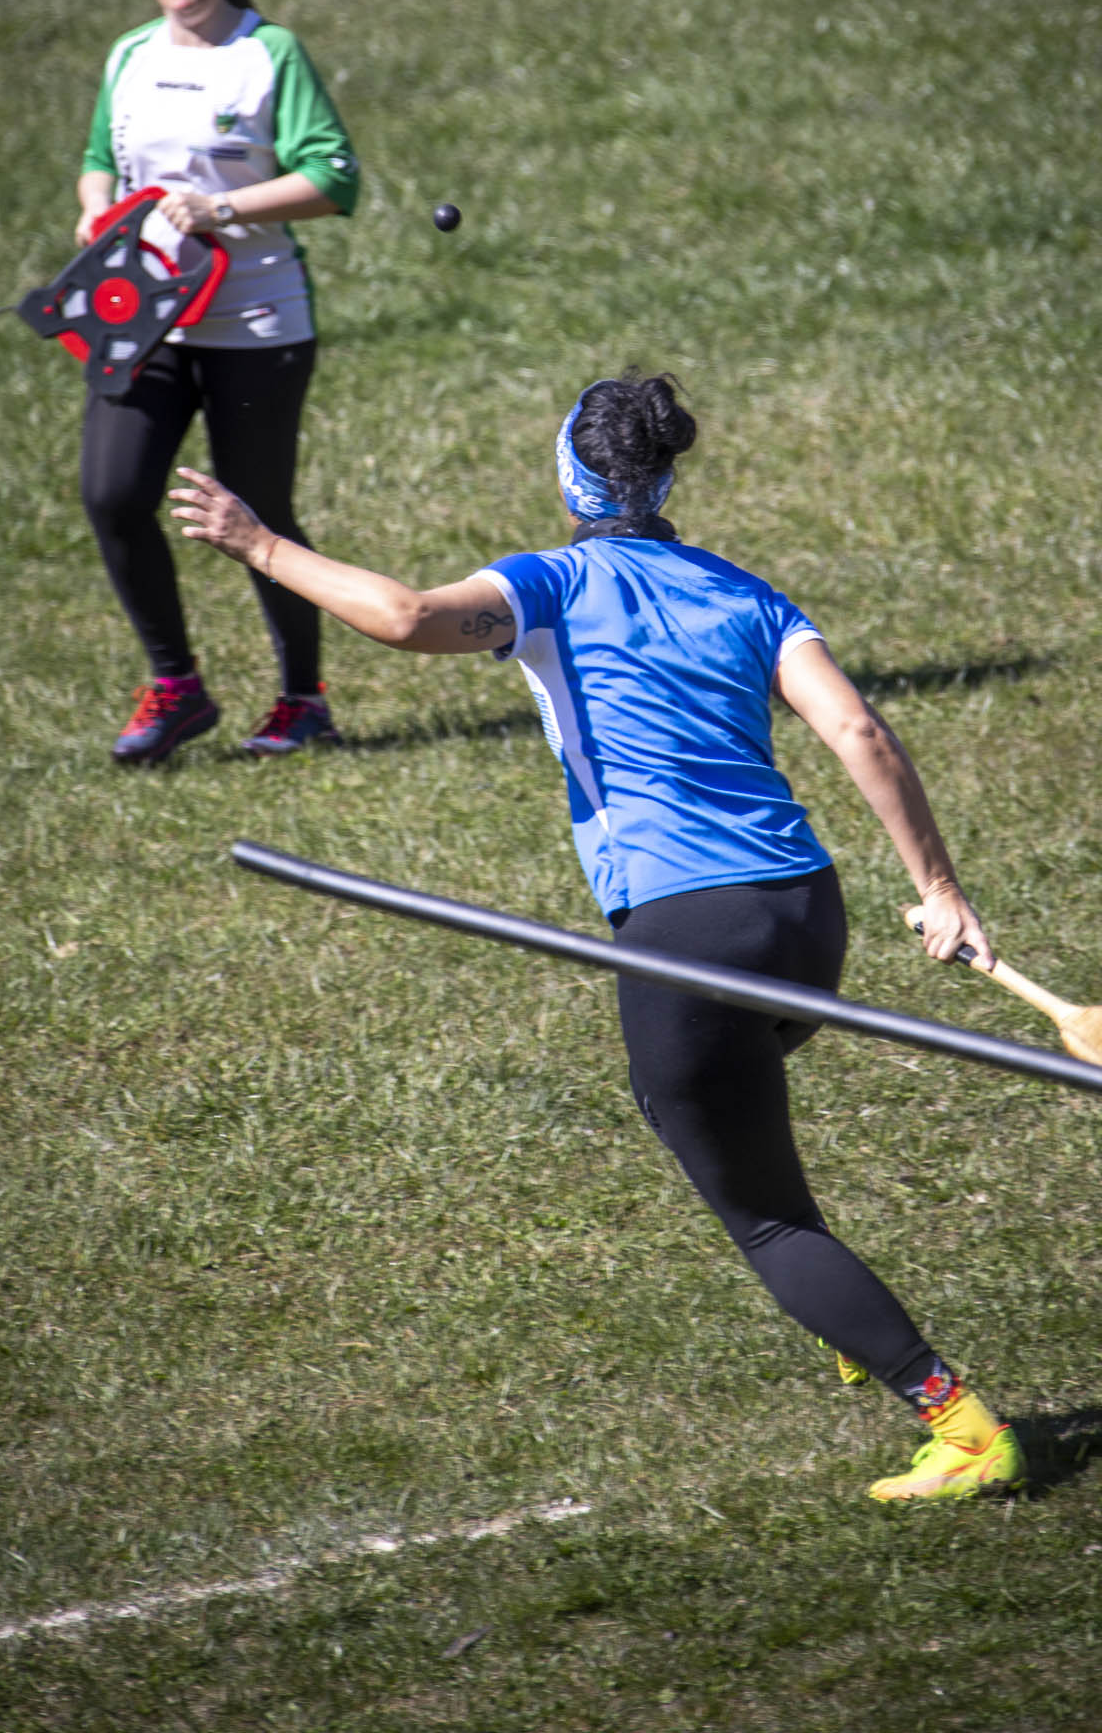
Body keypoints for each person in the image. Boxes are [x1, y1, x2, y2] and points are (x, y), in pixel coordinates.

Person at [169, 371, 1027, 1502]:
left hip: (684, 930)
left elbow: (402, 616)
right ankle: (841, 1306)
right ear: (664, 477)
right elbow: (856, 728)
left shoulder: (551, 583)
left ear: (570, 475)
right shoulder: (747, 592)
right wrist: (938, 887)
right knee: (703, 1100)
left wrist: (258, 542)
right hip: (805, 914)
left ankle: (955, 1418)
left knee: (763, 1213)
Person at [76, 0, 360, 763]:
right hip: (149, 322)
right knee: (113, 492)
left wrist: (222, 209)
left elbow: (334, 178)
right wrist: (92, 215)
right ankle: (176, 687)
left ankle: (303, 700)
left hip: (258, 324)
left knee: (257, 512)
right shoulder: (128, 56)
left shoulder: (267, 53)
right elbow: (96, 162)